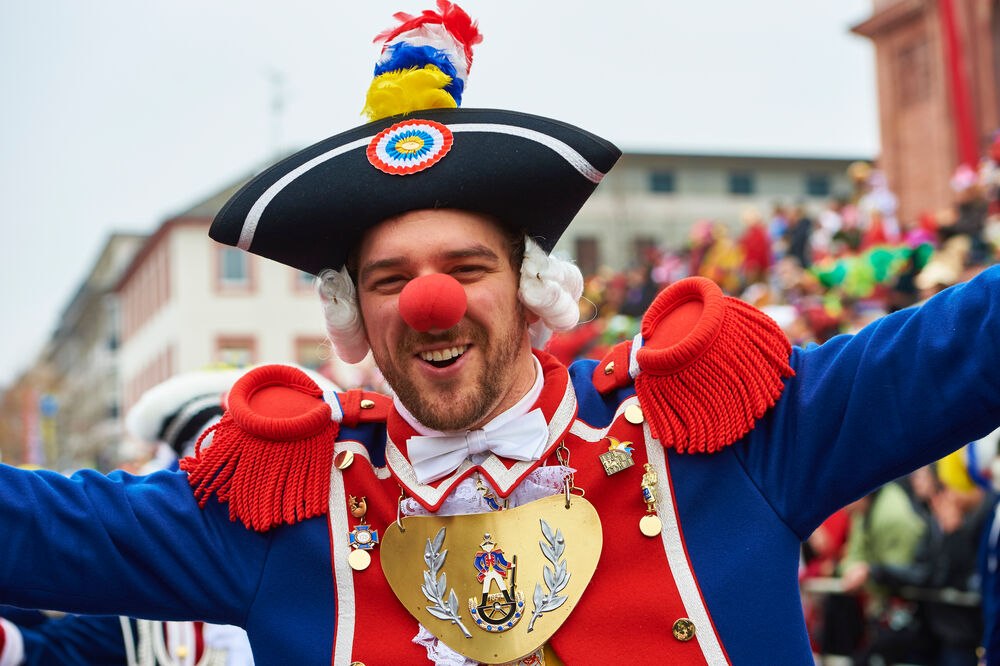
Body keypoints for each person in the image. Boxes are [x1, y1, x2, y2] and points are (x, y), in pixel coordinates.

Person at [2, 3, 1000, 664]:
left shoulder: (714, 432)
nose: (431, 302)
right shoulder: (287, 510)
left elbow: (968, 343)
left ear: (529, 293)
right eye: (390, 279)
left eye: (467, 269)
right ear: (354, 316)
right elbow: (39, 528)